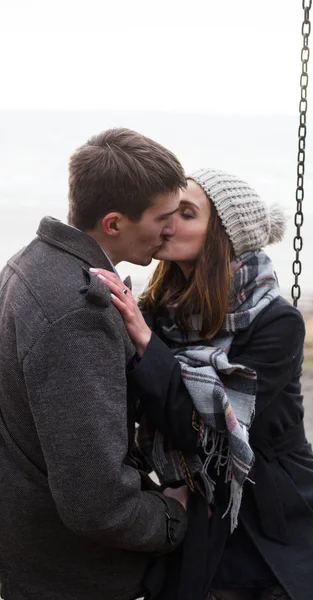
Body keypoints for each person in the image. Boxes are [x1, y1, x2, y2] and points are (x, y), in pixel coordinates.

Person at [94, 169, 313, 600]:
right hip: (198, 504)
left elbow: (201, 427)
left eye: (186, 214)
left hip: (274, 512)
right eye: (168, 211)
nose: (168, 223)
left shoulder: (276, 323)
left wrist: (148, 346)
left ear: (223, 235)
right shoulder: (154, 312)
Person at [0, 128, 190, 600]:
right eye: (163, 218)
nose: (171, 230)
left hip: (33, 559)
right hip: (71, 576)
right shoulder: (76, 312)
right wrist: (172, 518)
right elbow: (96, 502)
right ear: (113, 223)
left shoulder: (28, 265)